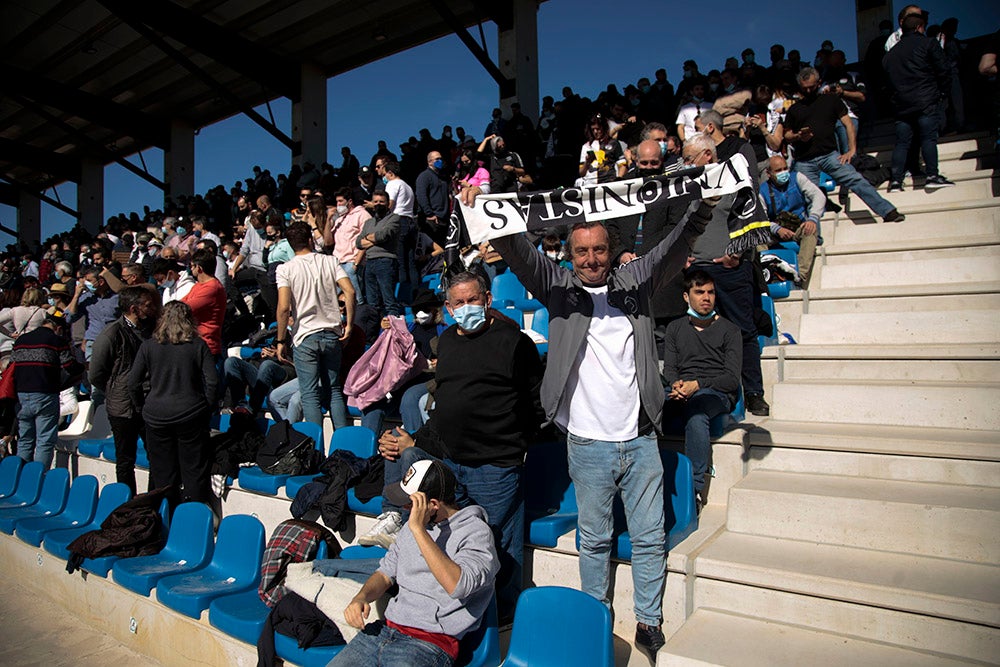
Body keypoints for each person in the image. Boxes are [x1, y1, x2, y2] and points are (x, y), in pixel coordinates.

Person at [488, 188, 715, 656]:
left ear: (611, 251)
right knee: (594, 540)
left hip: (640, 439)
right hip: (587, 444)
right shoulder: (557, 289)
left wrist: (705, 205)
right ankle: (597, 615)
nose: (591, 259)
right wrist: (487, 210)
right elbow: (517, 250)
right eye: (581, 251)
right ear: (569, 256)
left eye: (599, 250)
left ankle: (648, 622)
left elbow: (675, 244)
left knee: (650, 538)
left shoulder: (636, 283)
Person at [373, 271, 543, 616]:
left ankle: (503, 617)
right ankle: (461, 611)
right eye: (459, 303)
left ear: (487, 300)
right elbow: (445, 404)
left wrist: (514, 445)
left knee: (497, 544)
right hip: (452, 464)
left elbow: (535, 402)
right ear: (448, 309)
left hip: (496, 467)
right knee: (453, 540)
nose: (467, 308)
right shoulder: (447, 341)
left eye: (473, 300)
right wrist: (416, 439)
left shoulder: (514, 342)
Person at [332, 460, 499, 667]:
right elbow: (385, 573)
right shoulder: (412, 526)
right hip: (384, 631)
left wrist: (419, 530)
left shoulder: (476, 533)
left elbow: (458, 585)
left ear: (433, 505)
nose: (404, 507)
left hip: (429, 643)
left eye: (410, 503)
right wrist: (361, 597)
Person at [774, 67, 905, 223]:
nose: (808, 90)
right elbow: (787, 134)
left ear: (819, 83)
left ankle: (888, 212)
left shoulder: (831, 100)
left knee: (856, 179)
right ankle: (816, 238)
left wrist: (852, 150)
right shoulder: (795, 109)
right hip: (804, 161)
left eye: (812, 87)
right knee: (810, 199)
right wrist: (798, 136)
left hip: (829, 155)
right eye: (805, 88)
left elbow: (848, 123)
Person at [662, 271, 742, 510]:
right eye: (699, 292)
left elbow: (730, 379)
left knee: (696, 415)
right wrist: (676, 384)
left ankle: (694, 490)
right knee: (645, 405)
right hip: (683, 390)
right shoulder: (675, 328)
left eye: (710, 292)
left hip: (716, 393)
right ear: (687, 296)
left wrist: (697, 385)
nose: (706, 298)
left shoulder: (730, 330)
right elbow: (670, 369)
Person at [128, 301, 217, 509]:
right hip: (191, 413)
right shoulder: (197, 345)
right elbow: (212, 381)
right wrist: (206, 407)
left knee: (162, 471)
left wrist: (142, 407)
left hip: (157, 415)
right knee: (193, 469)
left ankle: (167, 516)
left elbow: (133, 383)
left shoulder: (148, 346)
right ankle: (192, 516)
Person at [276, 222, 356, 429]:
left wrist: (280, 340)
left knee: (309, 394)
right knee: (334, 390)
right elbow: (350, 291)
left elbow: (284, 308)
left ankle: (315, 448)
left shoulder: (285, 269)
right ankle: (342, 446)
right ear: (310, 240)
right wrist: (349, 326)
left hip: (305, 335)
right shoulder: (330, 261)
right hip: (331, 333)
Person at [89, 287, 157, 495]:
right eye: (147, 305)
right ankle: (129, 504)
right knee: (125, 459)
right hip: (123, 407)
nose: (152, 308)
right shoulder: (111, 334)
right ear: (134, 308)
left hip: (148, 402)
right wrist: (115, 389)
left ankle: (152, 501)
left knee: (156, 455)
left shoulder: (151, 330)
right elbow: (96, 374)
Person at [882, 13, 955, 192]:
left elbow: (886, 83)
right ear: (919, 27)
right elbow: (944, 70)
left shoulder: (890, 55)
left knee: (902, 143)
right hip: (926, 99)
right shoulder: (929, 43)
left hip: (901, 104)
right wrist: (942, 93)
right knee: (928, 138)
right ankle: (932, 175)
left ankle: (896, 182)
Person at [11, 308, 81, 469]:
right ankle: (38, 478)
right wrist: (82, 368)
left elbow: (11, 367)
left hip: (21, 395)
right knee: (44, 440)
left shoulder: (21, 340)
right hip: (45, 394)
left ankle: (21, 477)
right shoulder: (56, 341)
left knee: (25, 439)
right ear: (58, 328)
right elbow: (70, 366)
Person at [759, 155, 825, 287]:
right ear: (768, 173)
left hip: (798, 227)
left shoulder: (797, 178)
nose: (783, 173)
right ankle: (765, 274)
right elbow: (761, 219)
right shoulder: (762, 190)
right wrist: (777, 229)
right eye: (778, 170)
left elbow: (819, 196)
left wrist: (812, 218)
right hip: (776, 232)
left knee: (811, 230)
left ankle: (799, 275)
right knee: (757, 237)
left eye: (785, 169)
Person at [357, 191, 401, 318]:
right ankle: (374, 333)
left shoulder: (394, 218)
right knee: (372, 302)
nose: (378, 204)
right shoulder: (369, 222)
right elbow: (358, 242)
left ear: (388, 204)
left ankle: (394, 332)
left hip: (386, 261)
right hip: (369, 262)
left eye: (381, 202)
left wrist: (370, 238)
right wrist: (374, 239)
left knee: (389, 301)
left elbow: (383, 235)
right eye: (375, 201)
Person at [327, 188, 371, 304]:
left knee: (356, 298)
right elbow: (328, 241)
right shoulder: (339, 219)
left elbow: (366, 239)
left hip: (351, 262)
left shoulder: (362, 215)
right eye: (337, 202)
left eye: (341, 201)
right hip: (337, 262)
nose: (338, 205)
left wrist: (356, 263)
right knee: (337, 300)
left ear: (349, 201)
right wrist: (328, 219)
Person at [180, 249, 227, 359]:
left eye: (192, 266)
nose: (190, 269)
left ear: (199, 268)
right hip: (194, 343)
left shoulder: (212, 288)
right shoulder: (198, 286)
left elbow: (184, 308)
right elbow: (180, 302)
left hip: (207, 347)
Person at [383, 161, 418, 288]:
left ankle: (404, 296)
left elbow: (390, 204)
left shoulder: (393, 184)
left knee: (401, 262)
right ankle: (415, 293)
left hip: (399, 222)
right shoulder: (407, 186)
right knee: (411, 262)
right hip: (411, 222)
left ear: (390, 173)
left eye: (385, 174)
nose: (385, 177)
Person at [415, 151, 451, 246]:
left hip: (444, 220)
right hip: (431, 220)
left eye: (441, 159)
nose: (440, 161)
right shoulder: (424, 176)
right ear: (429, 162)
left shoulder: (443, 178)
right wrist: (429, 214)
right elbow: (421, 196)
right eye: (437, 159)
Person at [578, 114, 627, 185]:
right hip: (591, 185)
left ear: (604, 128)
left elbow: (622, 164)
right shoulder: (586, 146)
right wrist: (587, 162)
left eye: (598, 129)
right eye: (593, 129)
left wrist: (618, 180)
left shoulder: (614, 143)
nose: (595, 132)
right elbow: (582, 173)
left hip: (610, 182)